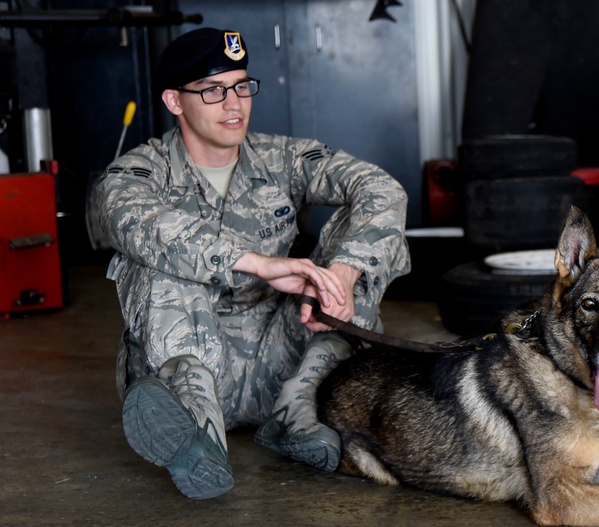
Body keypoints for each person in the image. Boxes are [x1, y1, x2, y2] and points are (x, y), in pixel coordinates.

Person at [95, 27, 410, 500]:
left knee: (352, 256)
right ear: (174, 101)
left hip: (277, 362)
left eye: (242, 86)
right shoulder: (141, 171)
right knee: (159, 261)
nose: (234, 104)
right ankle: (201, 438)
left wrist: (340, 273)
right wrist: (259, 264)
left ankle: (298, 412)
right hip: (183, 368)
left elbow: (381, 189)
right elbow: (129, 217)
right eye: (214, 90)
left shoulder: (280, 157)